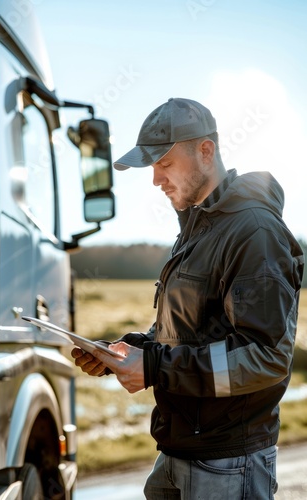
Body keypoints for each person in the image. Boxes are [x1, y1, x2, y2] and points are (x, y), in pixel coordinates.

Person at [71, 98, 304, 499]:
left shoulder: (254, 232)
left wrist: (155, 367)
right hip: (181, 450)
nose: (155, 179)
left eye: (163, 163)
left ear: (205, 151)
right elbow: (193, 329)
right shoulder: (198, 229)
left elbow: (267, 358)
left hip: (228, 463)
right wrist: (134, 351)